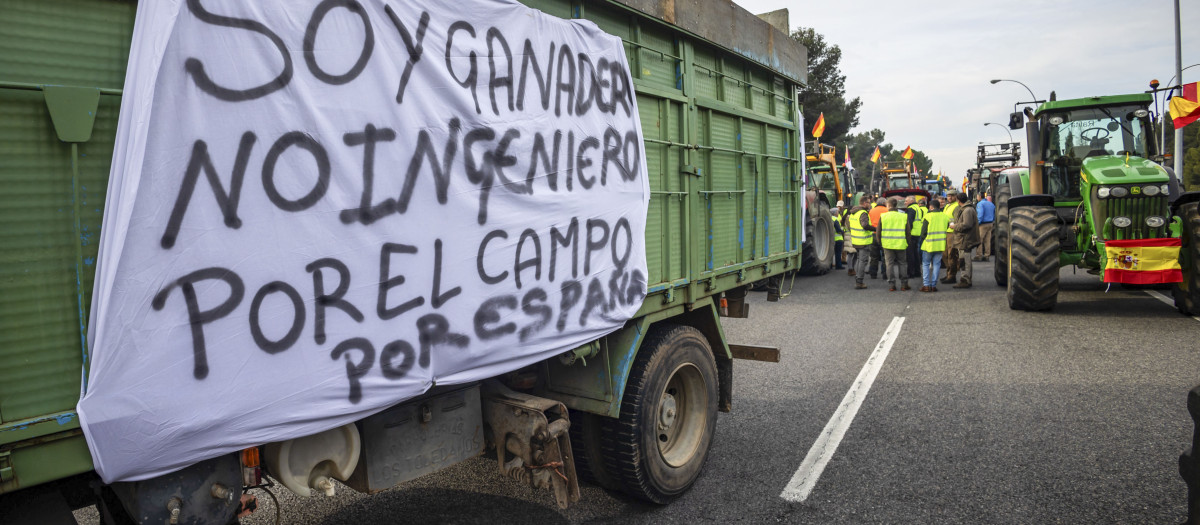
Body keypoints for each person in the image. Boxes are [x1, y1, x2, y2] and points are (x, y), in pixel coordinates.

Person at [918, 198, 949, 292]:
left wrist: (921, 241)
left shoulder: (928, 217)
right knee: (937, 265)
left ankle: (926, 285)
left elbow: (923, 233)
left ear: (931, 207)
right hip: (940, 245)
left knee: (926, 264)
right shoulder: (945, 216)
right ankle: (934, 285)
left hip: (928, 245)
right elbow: (947, 228)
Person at [879, 198, 910, 291]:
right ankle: (904, 284)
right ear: (896, 205)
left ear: (888, 206)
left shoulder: (883, 216)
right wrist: (907, 242)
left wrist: (880, 242)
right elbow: (908, 231)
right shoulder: (903, 216)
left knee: (889, 264)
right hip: (901, 243)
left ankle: (892, 284)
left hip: (887, 244)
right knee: (902, 263)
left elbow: (878, 231)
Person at [950, 191, 980, 288]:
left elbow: (967, 225)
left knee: (964, 260)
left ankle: (965, 280)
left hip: (965, 239)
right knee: (964, 259)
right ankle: (966, 279)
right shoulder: (968, 209)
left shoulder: (967, 210)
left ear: (958, 200)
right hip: (964, 239)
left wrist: (954, 226)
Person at [847, 196, 875, 289]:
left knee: (860, 260)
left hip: (856, 240)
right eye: (868, 203)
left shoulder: (853, 213)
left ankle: (858, 278)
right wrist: (876, 229)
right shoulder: (863, 213)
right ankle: (859, 282)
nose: (870, 204)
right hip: (863, 241)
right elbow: (865, 225)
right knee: (863, 261)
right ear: (864, 203)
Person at [941, 192, 960, 284]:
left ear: (956, 197)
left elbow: (957, 221)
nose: (950, 197)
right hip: (945, 232)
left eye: (952, 196)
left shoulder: (956, 206)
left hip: (952, 233)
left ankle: (952, 275)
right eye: (948, 196)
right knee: (944, 255)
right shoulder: (947, 206)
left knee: (951, 255)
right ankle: (948, 273)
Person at [904, 195, 924, 279]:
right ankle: (917, 272)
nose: (905, 203)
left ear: (911, 201)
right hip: (918, 233)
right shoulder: (919, 208)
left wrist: (906, 233)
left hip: (911, 234)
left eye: (906, 201)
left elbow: (909, 223)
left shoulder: (911, 209)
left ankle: (911, 273)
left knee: (910, 254)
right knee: (916, 254)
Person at [868, 197, 888, 279]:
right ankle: (885, 273)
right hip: (883, 234)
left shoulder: (871, 211)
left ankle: (873, 273)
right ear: (884, 203)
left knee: (874, 256)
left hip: (873, 234)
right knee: (885, 255)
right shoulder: (887, 211)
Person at [974, 193, 995, 261]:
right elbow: (994, 214)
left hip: (983, 224)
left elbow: (980, 214)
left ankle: (979, 255)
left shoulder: (980, 204)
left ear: (980, 197)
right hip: (990, 223)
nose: (977, 198)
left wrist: (978, 223)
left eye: (977, 196)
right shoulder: (991, 204)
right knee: (987, 240)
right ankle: (987, 255)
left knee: (979, 240)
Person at [832, 200, 845, 270]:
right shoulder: (835, 219)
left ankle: (831, 265)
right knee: (838, 253)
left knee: (832, 253)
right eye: (837, 212)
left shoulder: (830, 218)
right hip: (838, 239)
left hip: (832, 238)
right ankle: (838, 265)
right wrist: (842, 231)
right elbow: (838, 230)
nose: (838, 213)